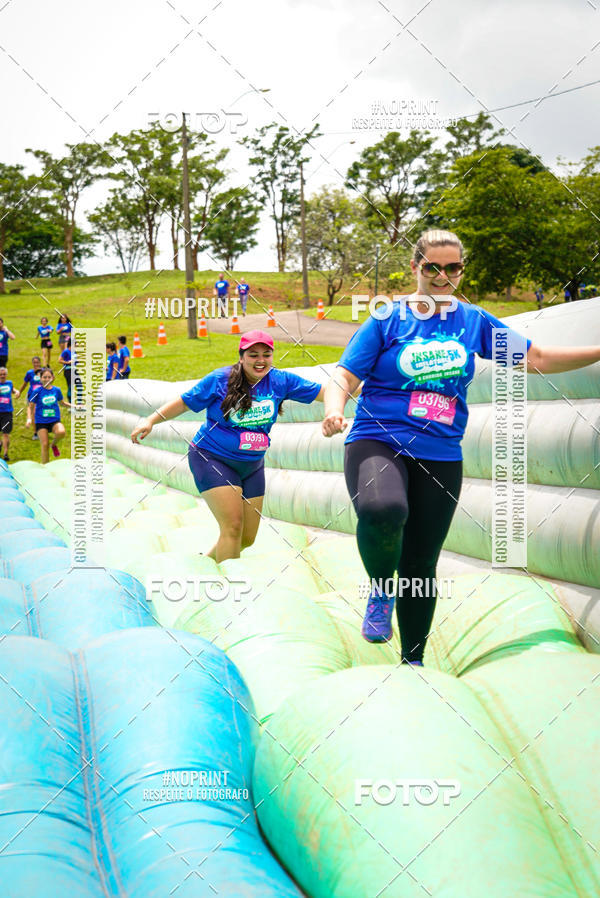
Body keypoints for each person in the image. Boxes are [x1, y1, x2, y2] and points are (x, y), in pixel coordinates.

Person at [322, 228, 600, 667]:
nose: (443, 275)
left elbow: (538, 359)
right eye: (433, 266)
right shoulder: (386, 318)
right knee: (382, 510)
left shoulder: (474, 321)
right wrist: (334, 408)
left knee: (420, 562)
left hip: (440, 452)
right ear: (415, 267)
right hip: (379, 438)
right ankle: (380, 589)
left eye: (453, 268)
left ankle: (413, 661)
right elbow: (344, 374)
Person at [131, 330, 330, 562]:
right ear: (241, 357)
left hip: (252, 465)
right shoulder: (220, 380)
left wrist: (372, 387)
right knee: (232, 528)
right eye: (253, 355)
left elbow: (326, 392)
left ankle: (205, 564)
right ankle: (228, 590)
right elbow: (184, 403)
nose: (260, 361)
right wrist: (150, 420)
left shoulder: (281, 381)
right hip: (212, 458)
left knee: (246, 538)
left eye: (266, 354)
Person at [26, 367, 70, 463]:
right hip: (41, 422)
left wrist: (75, 406)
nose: (46, 379)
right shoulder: (36, 391)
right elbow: (30, 406)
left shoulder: (56, 390)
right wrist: (29, 419)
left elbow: (62, 403)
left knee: (61, 432)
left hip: (54, 420)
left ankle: (54, 445)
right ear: (40, 378)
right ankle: (45, 467)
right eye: (44, 377)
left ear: (52, 378)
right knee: (45, 444)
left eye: (48, 377)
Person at [18, 356, 44, 439]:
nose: (36, 364)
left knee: (41, 413)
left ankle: (43, 430)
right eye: (34, 362)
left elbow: (50, 380)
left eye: (37, 362)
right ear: (32, 363)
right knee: (33, 413)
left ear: (40, 363)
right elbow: (25, 384)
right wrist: (19, 392)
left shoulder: (43, 372)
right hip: (31, 395)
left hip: (41, 396)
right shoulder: (29, 373)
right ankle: (35, 433)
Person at [0, 367, 20, 461]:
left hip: (7, 412)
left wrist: (16, 391)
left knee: (5, 433)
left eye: (4, 374)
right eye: (1, 374)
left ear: (6, 375)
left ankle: (5, 453)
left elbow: (12, 390)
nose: (2, 376)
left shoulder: (9, 383)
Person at [59, 337, 73, 402]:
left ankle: (79, 404)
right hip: (68, 371)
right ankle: (70, 404)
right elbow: (60, 360)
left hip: (75, 371)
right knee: (70, 387)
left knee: (80, 386)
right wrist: (67, 362)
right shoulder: (66, 351)